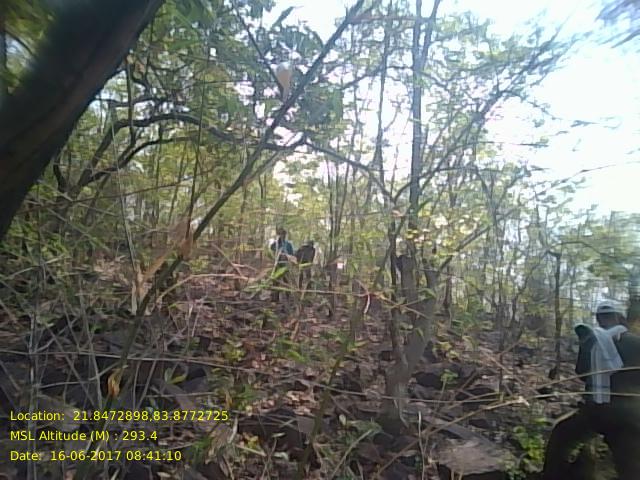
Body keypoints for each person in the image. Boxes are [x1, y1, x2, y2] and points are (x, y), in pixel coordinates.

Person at [542, 300, 640, 479]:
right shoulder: (635, 342)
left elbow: (581, 372)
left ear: (599, 319)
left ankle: (552, 475)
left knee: (561, 436)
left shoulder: (591, 341)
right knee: (630, 466)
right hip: (629, 415)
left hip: (595, 412)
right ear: (620, 318)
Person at [269, 227, 294, 302]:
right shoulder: (276, 243)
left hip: (285, 265)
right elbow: (271, 248)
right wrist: (277, 241)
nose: (283, 235)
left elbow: (291, 254)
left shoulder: (288, 244)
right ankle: (275, 298)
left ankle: (287, 298)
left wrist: (287, 256)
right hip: (277, 264)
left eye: (284, 234)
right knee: (275, 281)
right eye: (281, 234)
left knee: (286, 281)